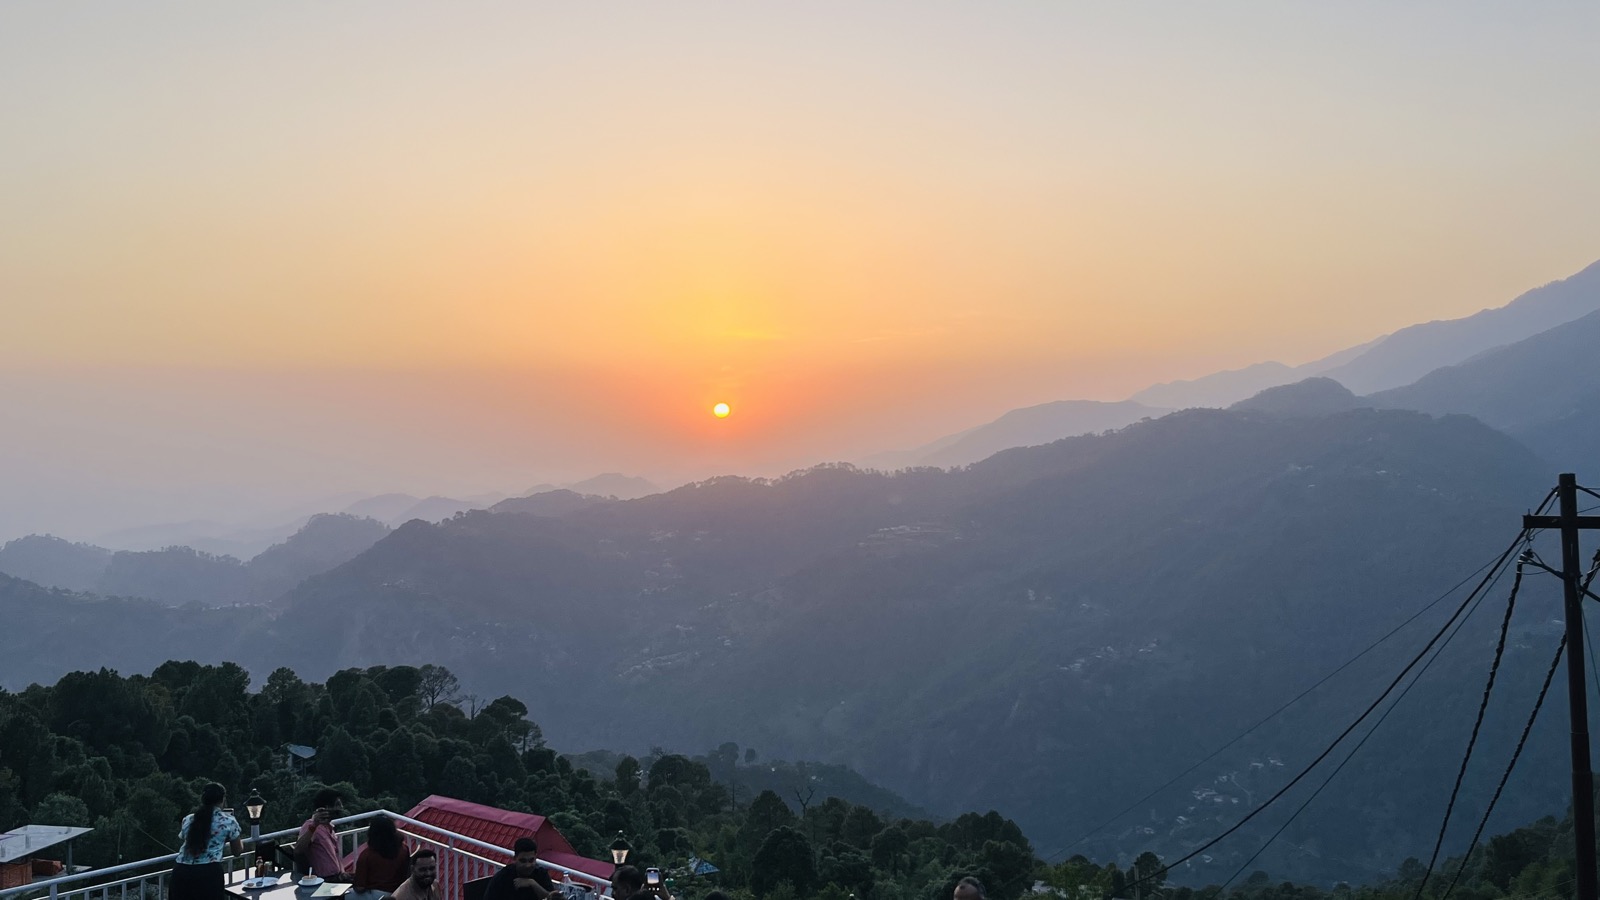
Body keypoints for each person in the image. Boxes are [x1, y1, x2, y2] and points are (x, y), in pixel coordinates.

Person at [171, 783, 244, 900]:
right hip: (208, 874)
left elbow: (189, 840)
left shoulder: (189, 819)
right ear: (223, 799)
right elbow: (237, 851)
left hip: (181, 872)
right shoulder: (228, 821)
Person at [295, 788, 353, 881]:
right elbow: (298, 849)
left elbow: (335, 856)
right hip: (322, 881)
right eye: (338, 804)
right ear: (326, 808)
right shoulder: (310, 826)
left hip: (337, 878)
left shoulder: (329, 827)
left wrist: (342, 873)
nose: (341, 807)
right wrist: (314, 825)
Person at [483, 837, 555, 900]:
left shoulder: (541, 874)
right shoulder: (503, 877)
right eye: (523, 861)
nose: (527, 865)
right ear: (515, 858)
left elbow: (551, 897)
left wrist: (533, 884)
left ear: (536, 857)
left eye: (531, 860)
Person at [354, 815, 410, 894]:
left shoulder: (366, 855)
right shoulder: (404, 849)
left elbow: (360, 887)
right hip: (399, 893)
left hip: (376, 894)